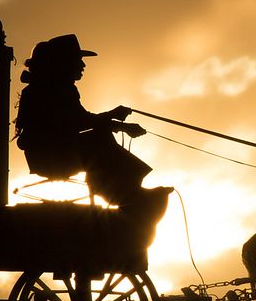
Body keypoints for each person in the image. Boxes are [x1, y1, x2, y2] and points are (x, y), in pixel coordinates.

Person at [14, 34, 154, 207]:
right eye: (77, 60)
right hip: (51, 158)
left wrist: (116, 120)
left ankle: (125, 191)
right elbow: (78, 122)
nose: (82, 65)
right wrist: (118, 123)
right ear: (63, 63)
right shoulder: (54, 91)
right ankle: (126, 193)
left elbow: (78, 120)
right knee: (101, 141)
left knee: (100, 138)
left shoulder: (48, 89)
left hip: (46, 156)